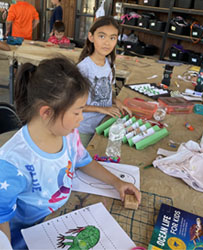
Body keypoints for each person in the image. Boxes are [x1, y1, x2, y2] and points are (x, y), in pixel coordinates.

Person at [0, 57, 141, 249]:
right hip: (27, 238)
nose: (81, 119)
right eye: (77, 112)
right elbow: (2, 219)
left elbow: (83, 161)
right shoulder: (12, 162)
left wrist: (117, 182)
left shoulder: (68, 134)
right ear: (47, 112)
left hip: (59, 219)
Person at [77, 16, 132, 147]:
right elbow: (74, 105)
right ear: (91, 37)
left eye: (112, 38)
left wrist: (117, 102)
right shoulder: (84, 68)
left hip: (103, 125)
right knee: (81, 163)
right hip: (84, 130)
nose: (107, 43)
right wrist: (103, 109)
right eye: (102, 36)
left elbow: (108, 91)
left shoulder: (109, 64)